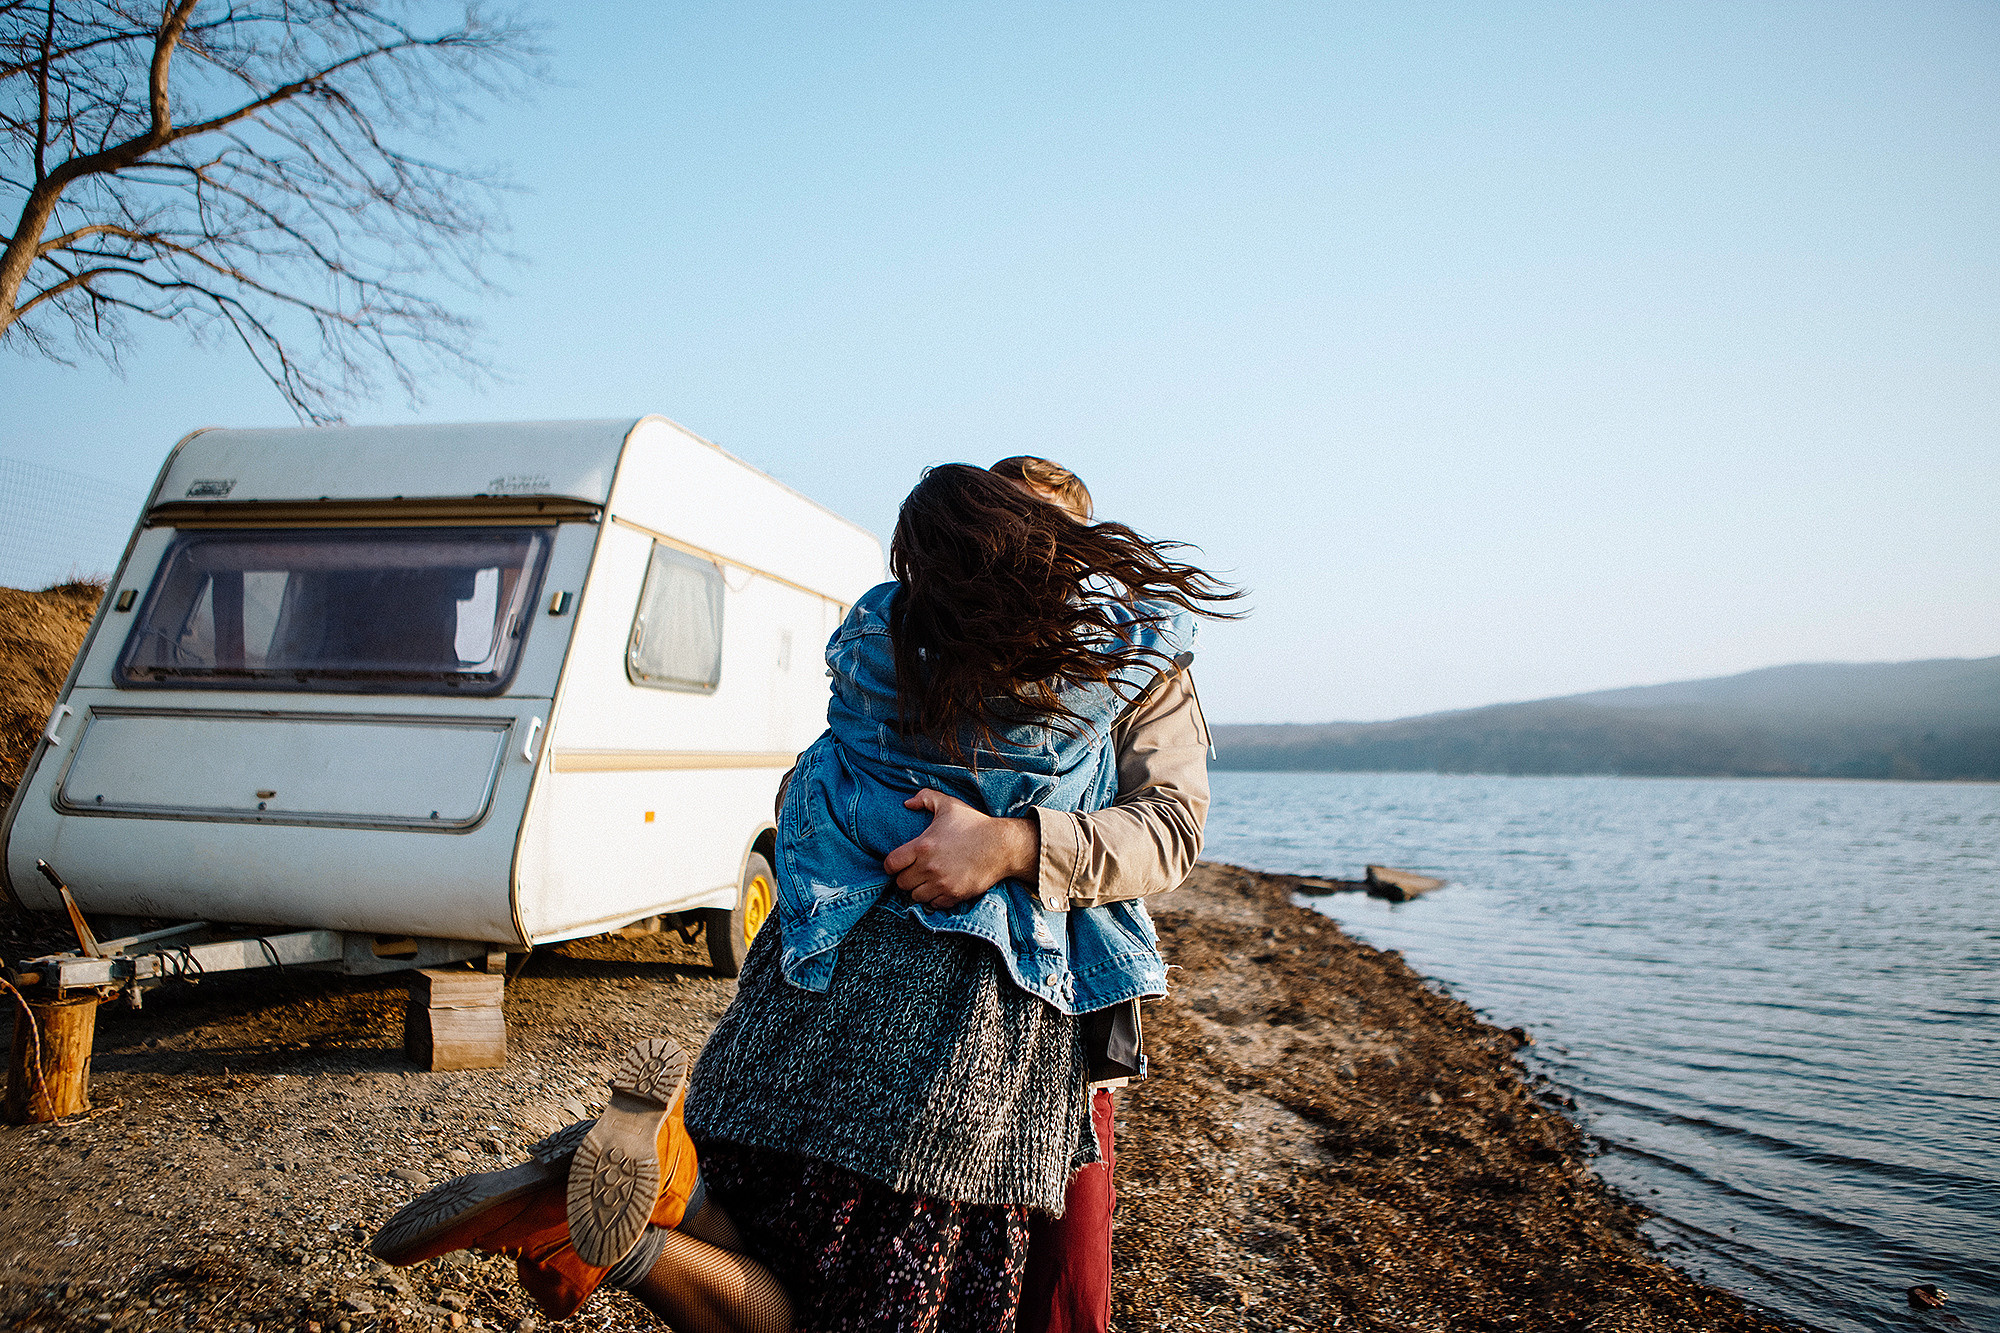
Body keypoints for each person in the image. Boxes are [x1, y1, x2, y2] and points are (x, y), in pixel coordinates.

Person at [373, 462, 1233, 1332]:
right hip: (972, 1034)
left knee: (767, 1224)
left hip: (805, 985)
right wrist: (1014, 843)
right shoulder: (1122, 659)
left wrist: (952, 837)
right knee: (892, 1305)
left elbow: (803, 788)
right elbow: (1172, 829)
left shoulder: (881, 635)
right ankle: (630, 1238)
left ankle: (657, 1192)